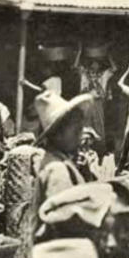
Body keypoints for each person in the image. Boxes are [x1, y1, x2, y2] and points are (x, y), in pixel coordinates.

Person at [33, 89, 92, 236]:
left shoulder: (58, 161)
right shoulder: (57, 170)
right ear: (58, 133)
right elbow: (63, 223)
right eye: (76, 130)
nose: (80, 135)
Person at [76, 48, 116, 151]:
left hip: (98, 103)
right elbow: (76, 66)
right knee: (86, 124)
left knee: (99, 125)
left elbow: (114, 68)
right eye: (92, 64)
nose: (94, 66)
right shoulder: (85, 74)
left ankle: (100, 149)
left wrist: (108, 54)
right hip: (86, 103)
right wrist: (80, 51)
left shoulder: (103, 76)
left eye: (97, 64)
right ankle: (85, 148)